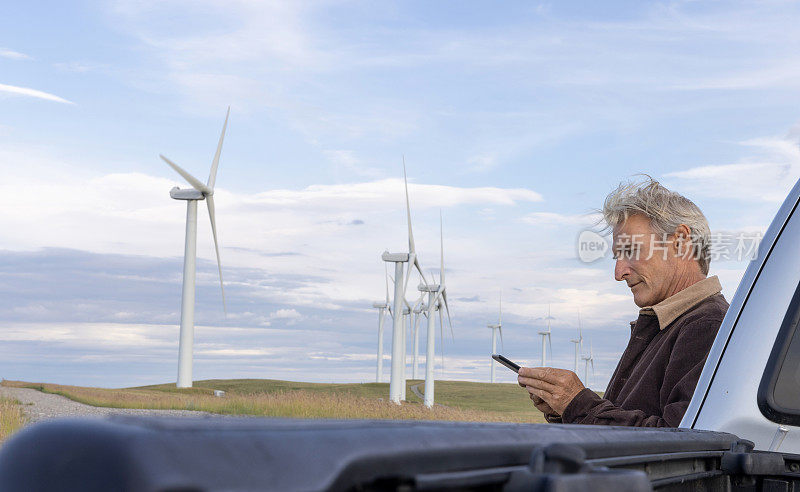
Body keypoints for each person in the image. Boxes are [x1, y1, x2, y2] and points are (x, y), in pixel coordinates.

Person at [518, 176, 729, 427]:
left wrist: (578, 405)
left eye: (631, 251)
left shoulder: (707, 326)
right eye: (618, 256)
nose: (619, 273)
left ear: (681, 242)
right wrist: (564, 409)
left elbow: (679, 444)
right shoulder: (668, 325)